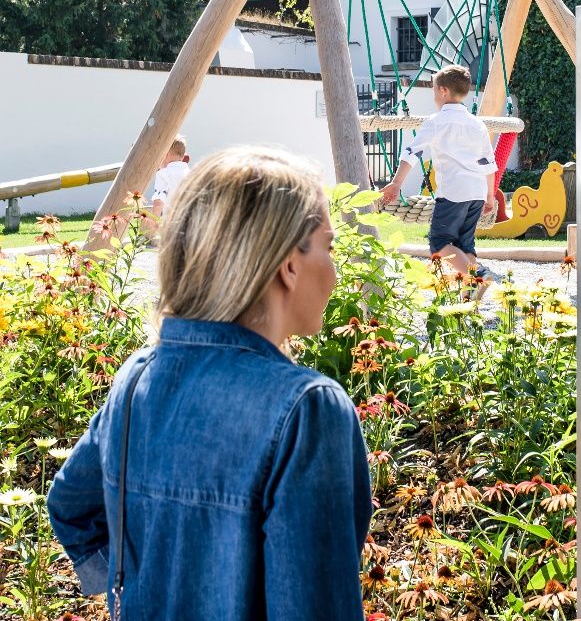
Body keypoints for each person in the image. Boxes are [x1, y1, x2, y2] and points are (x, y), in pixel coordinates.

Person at [47, 147, 371, 620]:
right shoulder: (306, 409)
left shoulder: (137, 378)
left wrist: (131, 583)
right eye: (329, 246)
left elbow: (70, 505)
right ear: (288, 263)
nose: (336, 273)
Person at [379, 65, 499, 282]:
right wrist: (489, 196)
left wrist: (396, 183)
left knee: (439, 243)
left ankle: (479, 274)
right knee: (465, 244)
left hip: (454, 192)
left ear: (443, 91)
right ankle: (469, 298)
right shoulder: (477, 124)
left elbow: (412, 152)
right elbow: (489, 163)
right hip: (477, 192)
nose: (434, 94)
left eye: (434, 89)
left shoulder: (436, 121)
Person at [151, 135, 190, 218]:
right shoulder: (191, 174)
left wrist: (151, 224)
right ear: (183, 157)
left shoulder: (163, 174)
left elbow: (158, 203)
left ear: (164, 154)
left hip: (171, 221)